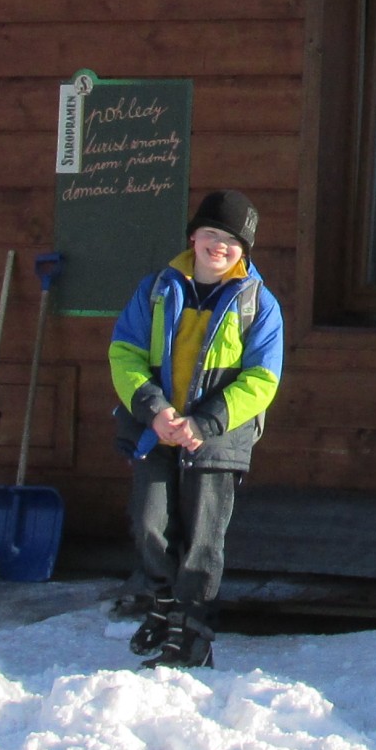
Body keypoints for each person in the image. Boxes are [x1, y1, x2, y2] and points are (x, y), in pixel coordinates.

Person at [107, 188, 283, 668]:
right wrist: (154, 410)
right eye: (211, 233)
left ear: (244, 249)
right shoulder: (157, 289)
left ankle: (193, 634)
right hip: (156, 431)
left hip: (217, 438)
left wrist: (205, 422)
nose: (219, 246)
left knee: (203, 539)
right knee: (150, 523)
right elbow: (124, 352)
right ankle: (164, 607)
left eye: (231, 240)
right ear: (193, 237)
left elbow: (262, 380)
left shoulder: (258, 303)